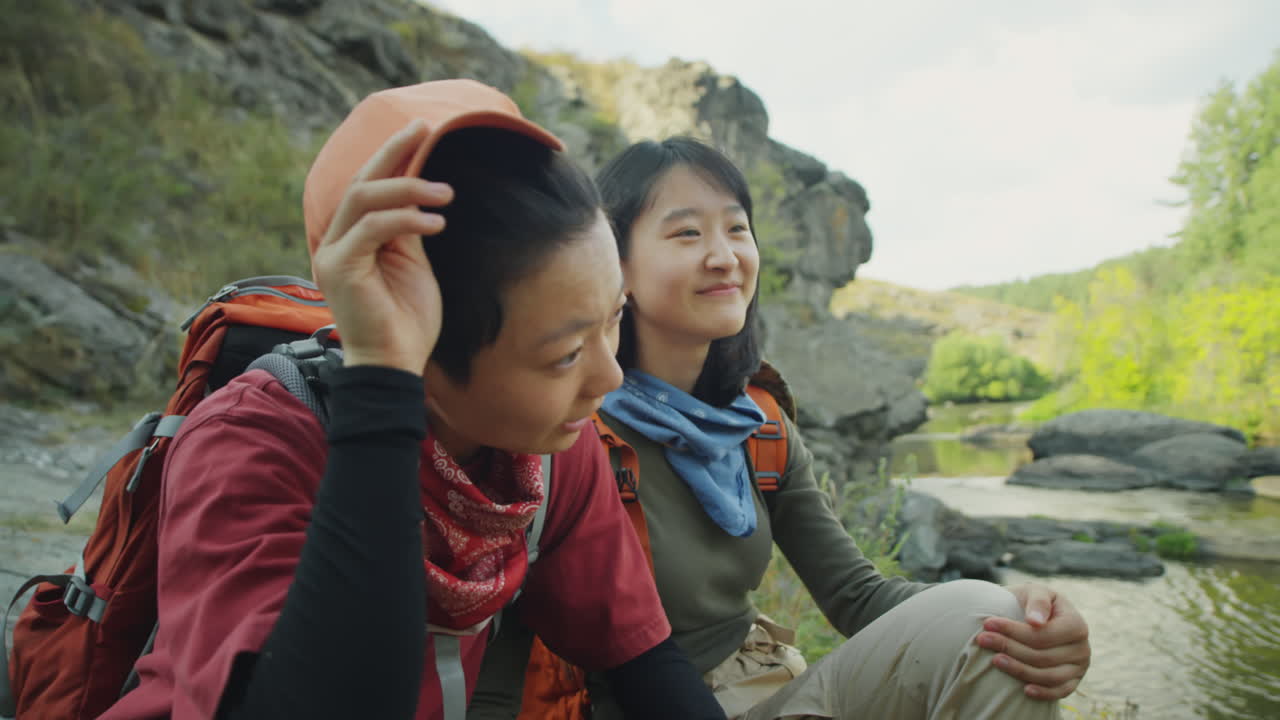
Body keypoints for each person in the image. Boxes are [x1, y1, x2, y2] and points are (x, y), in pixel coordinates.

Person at [98, 83, 726, 720]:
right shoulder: (253, 446)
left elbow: (639, 657)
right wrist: (384, 385)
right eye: (563, 355)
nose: (608, 377)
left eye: (613, 317)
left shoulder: (547, 456)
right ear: (419, 354)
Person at [472, 137, 1091, 720]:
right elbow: (494, 648)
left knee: (993, 623)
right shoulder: (565, 429)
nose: (724, 256)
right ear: (615, 265)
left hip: (761, 692)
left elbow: (857, 596)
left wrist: (1027, 614)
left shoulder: (756, 422)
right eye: (686, 233)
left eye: (737, 228)